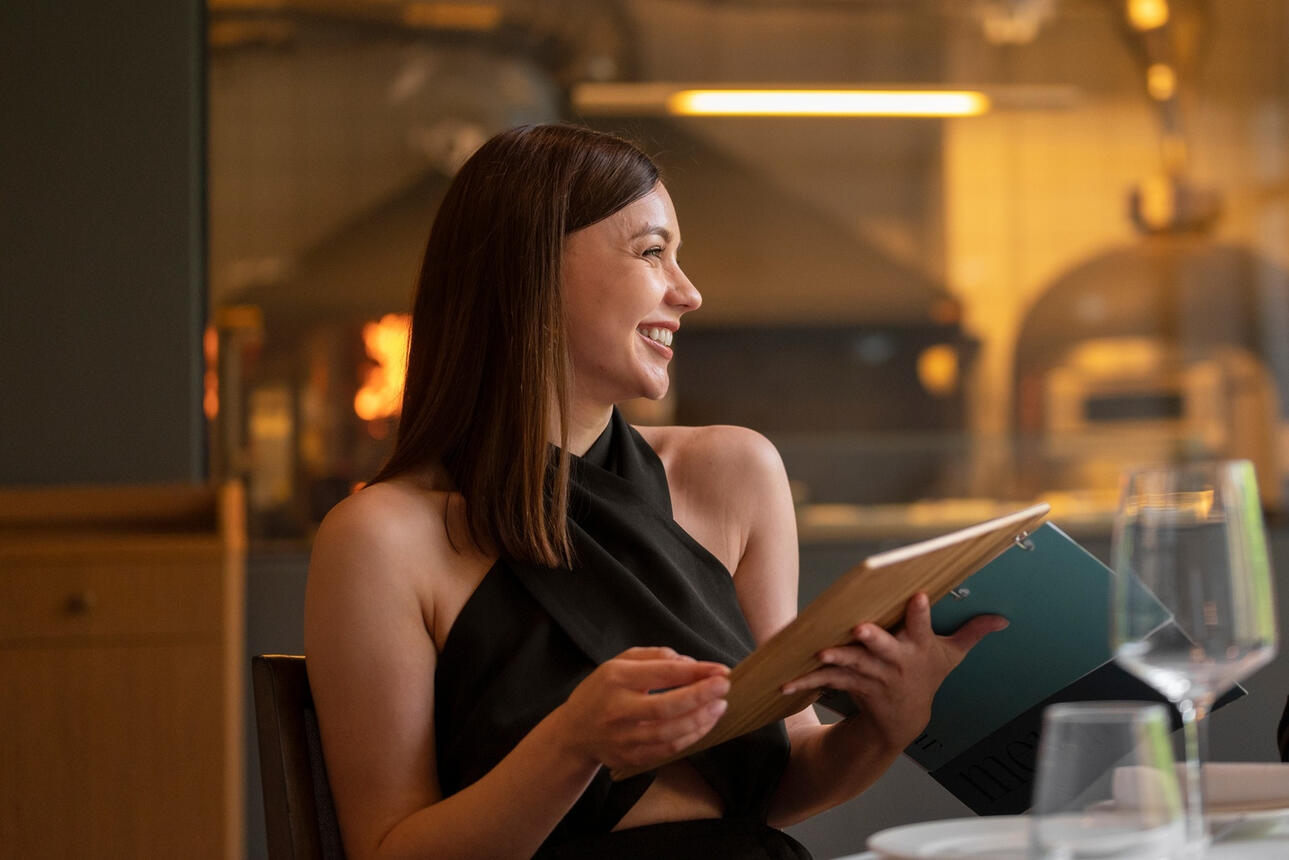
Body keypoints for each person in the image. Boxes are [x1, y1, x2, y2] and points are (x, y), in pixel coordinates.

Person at [304, 123, 1007, 860]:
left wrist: (885, 724)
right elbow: (388, 850)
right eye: (651, 253)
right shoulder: (381, 537)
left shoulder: (734, 475)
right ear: (530, 268)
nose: (689, 292)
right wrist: (570, 746)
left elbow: (779, 784)